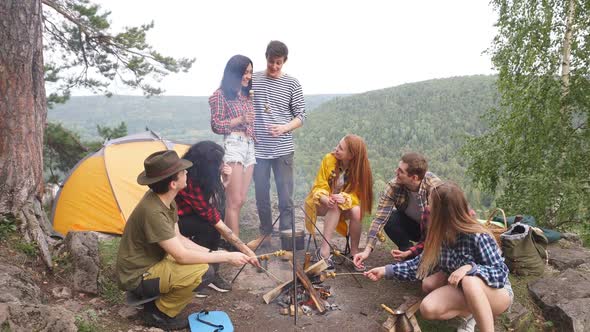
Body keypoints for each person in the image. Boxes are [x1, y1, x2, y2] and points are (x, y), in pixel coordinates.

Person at [116, 150, 257, 330]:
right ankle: (158, 314)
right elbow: (181, 255)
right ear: (173, 183)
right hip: (137, 276)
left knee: (204, 264)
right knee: (203, 272)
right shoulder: (154, 212)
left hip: (150, 263)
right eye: (183, 172)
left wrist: (217, 253)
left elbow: (180, 239)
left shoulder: (165, 199)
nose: (187, 173)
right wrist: (227, 257)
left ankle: (157, 303)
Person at [364, 182, 513, 332]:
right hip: (462, 288)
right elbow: (420, 264)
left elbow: (500, 273)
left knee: (469, 280)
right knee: (428, 308)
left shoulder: (478, 236)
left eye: (431, 204)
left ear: (443, 212)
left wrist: (470, 268)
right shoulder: (441, 234)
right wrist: (386, 270)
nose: (428, 208)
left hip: (497, 293)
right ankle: (473, 313)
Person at [175, 141, 260, 294]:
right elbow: (214, 218)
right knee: (211, 225)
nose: (221, 165)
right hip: (176, 222)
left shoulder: (199, 175)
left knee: (215, 216)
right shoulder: (188, 180)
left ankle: (209, 270)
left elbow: (214, 201)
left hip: (193, 214)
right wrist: (245, 249)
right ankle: (203, 276)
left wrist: (225, 181)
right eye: (218, 163)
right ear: (206, 166)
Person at [248, 40, 306, 249]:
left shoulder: (292, 83)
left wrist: (284, 128)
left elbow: (301, 116)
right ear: (266, 58)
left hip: (283, 150)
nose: (274, 67)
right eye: (271, 62)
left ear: (285, 61)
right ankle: (266, 234)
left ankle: (287, 238)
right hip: (258, 150)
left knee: (285, 197)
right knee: (261, 194)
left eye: (278, 63)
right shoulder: (253, 79)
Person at [354, 152, 443, 269]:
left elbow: (443, 221)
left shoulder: (434, 187)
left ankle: (427, 258)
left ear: (414, 178)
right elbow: (380, 218)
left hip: (433, 230)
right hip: (413, 226)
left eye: (401, 171)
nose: (396, 172)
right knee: (391, 218)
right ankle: (407, 254)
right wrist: (367, 251)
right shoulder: (394, 186)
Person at [304, 135, 373, 272]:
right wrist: (324, 197)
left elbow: (359, 196)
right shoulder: (329, 159)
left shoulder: (361, 169)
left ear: (351, 155)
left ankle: (355, 253)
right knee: (334, 205)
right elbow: (319, 185)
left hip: (343, 205)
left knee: (357, 211)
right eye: (338, 145)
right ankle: (324, 252)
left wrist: (345, 198)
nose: (336, 149)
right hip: (321, 203)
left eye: (340, 148)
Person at [210, 54, 256, 239]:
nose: (248, 76)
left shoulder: (246, 96)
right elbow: (216, 125)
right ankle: (236, 246)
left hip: (249, 146)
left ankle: (231, 242)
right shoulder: (220, 95)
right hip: (234, 145)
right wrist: (241, 119)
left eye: (250, 72)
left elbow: (251, 122)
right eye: (245, 72)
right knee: (234, 201)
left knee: (241, 200)